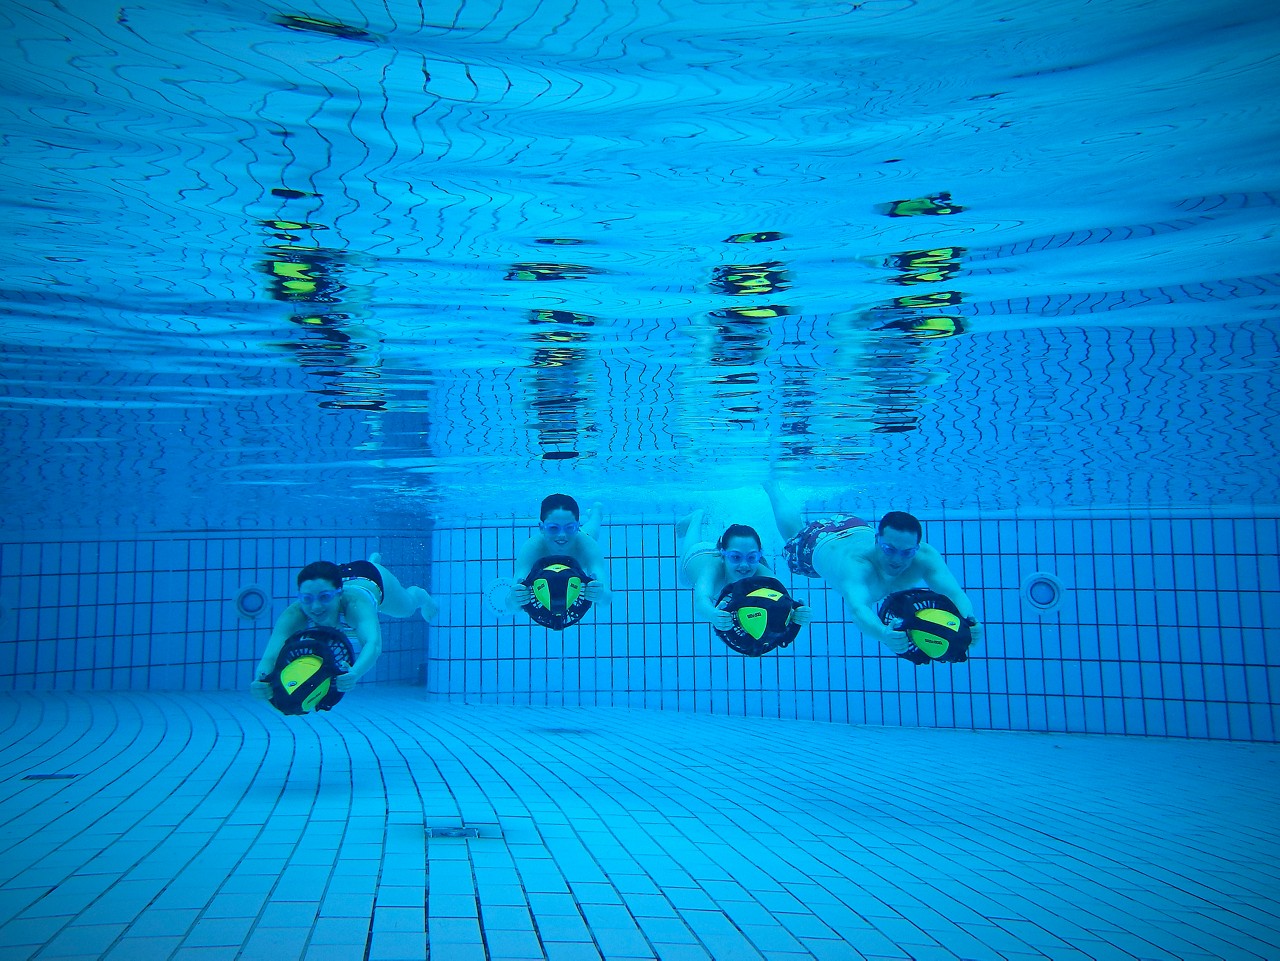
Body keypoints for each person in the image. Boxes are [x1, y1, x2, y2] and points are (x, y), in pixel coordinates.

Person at [764, 481, 982, 655]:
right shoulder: (857, 568)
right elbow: (859, 609)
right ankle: (772, 487)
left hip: (853, 525)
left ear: (917, 547)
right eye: (889, 549)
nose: (897, 559)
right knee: (793, 535)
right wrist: (883, 634)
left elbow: (953, 593)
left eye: (907, 552)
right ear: (877, 541)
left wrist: (968, 620)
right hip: (815, 544)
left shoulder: (925, 556)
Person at [250, 554, 436, 699]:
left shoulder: (355, 605)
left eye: (324, 598)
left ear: (339, 594)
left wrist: (355, 673)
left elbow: (373, 645)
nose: (315, 607)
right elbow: (270, 655)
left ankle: (421, 596)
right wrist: (262, 678)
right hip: (340, 578)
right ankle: (367, 562)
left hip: (373, 578)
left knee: (407, 609)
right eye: (307, 599)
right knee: (346, 625)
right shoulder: (294, 614)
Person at [678, 510, 813, 632]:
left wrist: (798, 613)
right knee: (684, 580)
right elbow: (701, 600)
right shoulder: (712, 569)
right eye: (736, 557)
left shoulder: (761, 572)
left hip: (724, 551)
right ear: (723, 555)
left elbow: (784, 601)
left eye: (752, 557)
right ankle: (696, 518)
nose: (744, 565)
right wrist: (712, 614)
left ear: (759, 555)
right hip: (696, 557)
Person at [507, 494, 611, 610]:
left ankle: (596, 513)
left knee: (592, 530)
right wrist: (514, 599)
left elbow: (606, 599)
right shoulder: (532, 549)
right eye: (553, 528)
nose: (562, 535)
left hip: (582, 539)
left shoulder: (588, 546)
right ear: (541, 528)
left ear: (577, 527)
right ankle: (593, 514)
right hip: (575, 540)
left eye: (569, 527)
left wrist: (600, 595)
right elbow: (511, 605)